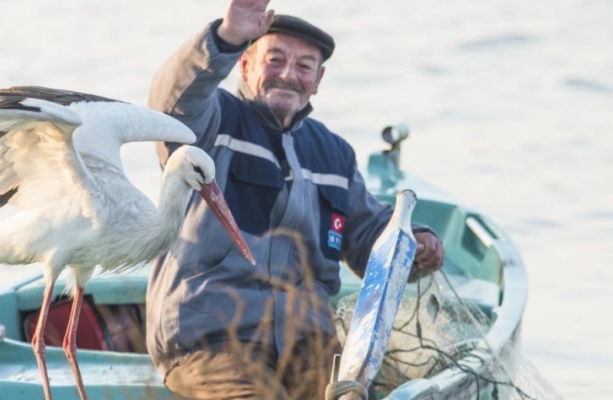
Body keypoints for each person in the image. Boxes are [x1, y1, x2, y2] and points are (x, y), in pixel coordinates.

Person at [145, 1, 445, 399]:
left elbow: (369, 232)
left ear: (318, 80)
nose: (289, 75)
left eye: (304, 66)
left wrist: (416, 243)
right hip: (212, 341)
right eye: (275, 59)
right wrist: (227, 36)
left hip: (307, 344)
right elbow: (172, 102)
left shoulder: (334, 152)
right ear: (246, 65)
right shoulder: (211, 122)